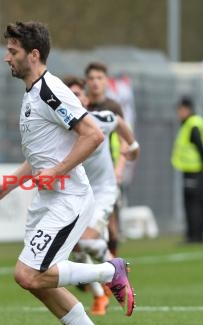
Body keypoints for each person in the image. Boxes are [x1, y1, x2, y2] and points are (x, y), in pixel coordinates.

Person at [0, 21, 135, 325]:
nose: (7, 58)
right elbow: (39, 157)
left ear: (33, 55)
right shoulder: (32, 93)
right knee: (36, 282)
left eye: (13, 52)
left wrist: (59, 171)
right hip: (47, 202)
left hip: (70, 199)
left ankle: (109, 272)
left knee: (27, 273)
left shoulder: (51, 90)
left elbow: (93, 135)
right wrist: (8, 185)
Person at [64, 76, 140, 316]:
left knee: (85, 241)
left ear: (86, 100)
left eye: (78, 94)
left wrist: (133, 145)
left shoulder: (99, 120)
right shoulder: (58, 128)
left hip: (104, 191)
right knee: (76, 247)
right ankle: (100, 296)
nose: (74, 98)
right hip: (78, 193)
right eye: (69, 95)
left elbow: (118, 121)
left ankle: (114, 271)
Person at [85, 62, 126, 257]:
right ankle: (86, 273)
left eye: (99, 78)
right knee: (81, 223)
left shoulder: (112, 107)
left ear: (106, 82)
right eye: (91, 78)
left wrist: (119, 168)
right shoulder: (81, 106)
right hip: (84, 174)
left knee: (111, 222)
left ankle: (114, 270)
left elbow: (125, 139)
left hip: (107, 174)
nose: (95, 82)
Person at [171, 96, 203, 243]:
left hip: (194, 170)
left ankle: (195, 236)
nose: (178, 113)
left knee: (193, 204)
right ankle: (194, 235)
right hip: (192, 169)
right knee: (193, 203)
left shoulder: (192, 124)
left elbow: (202, 149)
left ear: (186, 109)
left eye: (180, 109)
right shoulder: (192, 123)